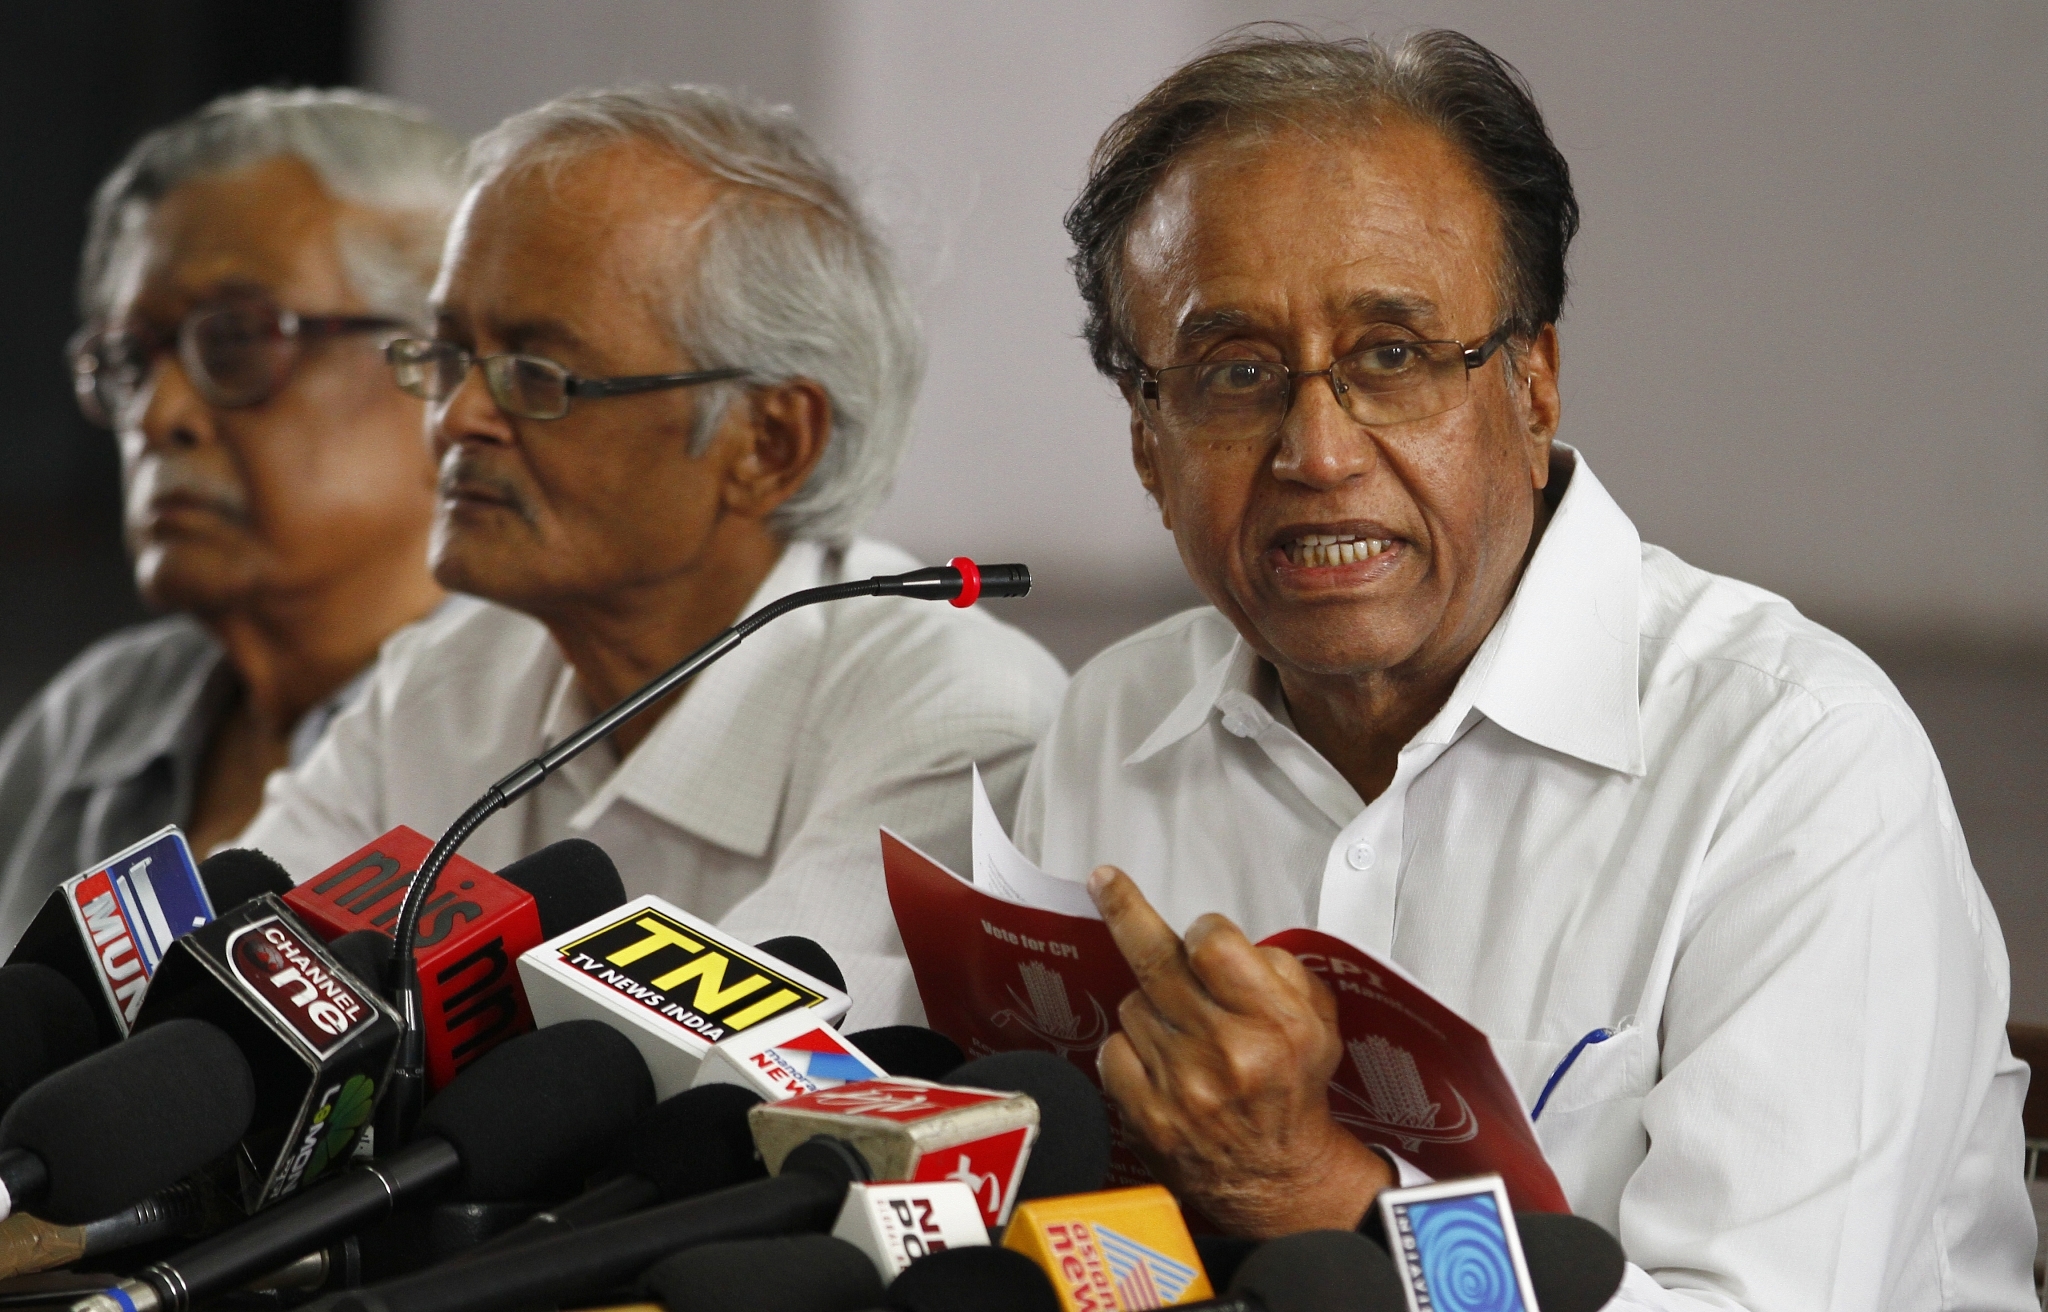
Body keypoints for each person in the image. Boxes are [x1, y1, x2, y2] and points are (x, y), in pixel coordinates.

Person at [1016, 30, 2034, 1309]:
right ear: (1145, 443)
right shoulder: (1115, 719)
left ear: (1533, 382)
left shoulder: (1793, 758)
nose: (1316, 451)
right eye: (1235, 372)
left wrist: (1316, 1197)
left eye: (1389, 356)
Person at [239, 84, 1066, 1029]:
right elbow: (232, 985)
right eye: (447, 354)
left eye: (536, 377)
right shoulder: (444, 682)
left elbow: (719, 1086)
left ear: (768, 442)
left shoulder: (954, 718)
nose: (458, 417)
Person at [0, 90, 463, 952]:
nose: (158, 414)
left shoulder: (535, 733)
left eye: (239, 339)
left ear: (436, 363)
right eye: (130, 358)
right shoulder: (92, 721)